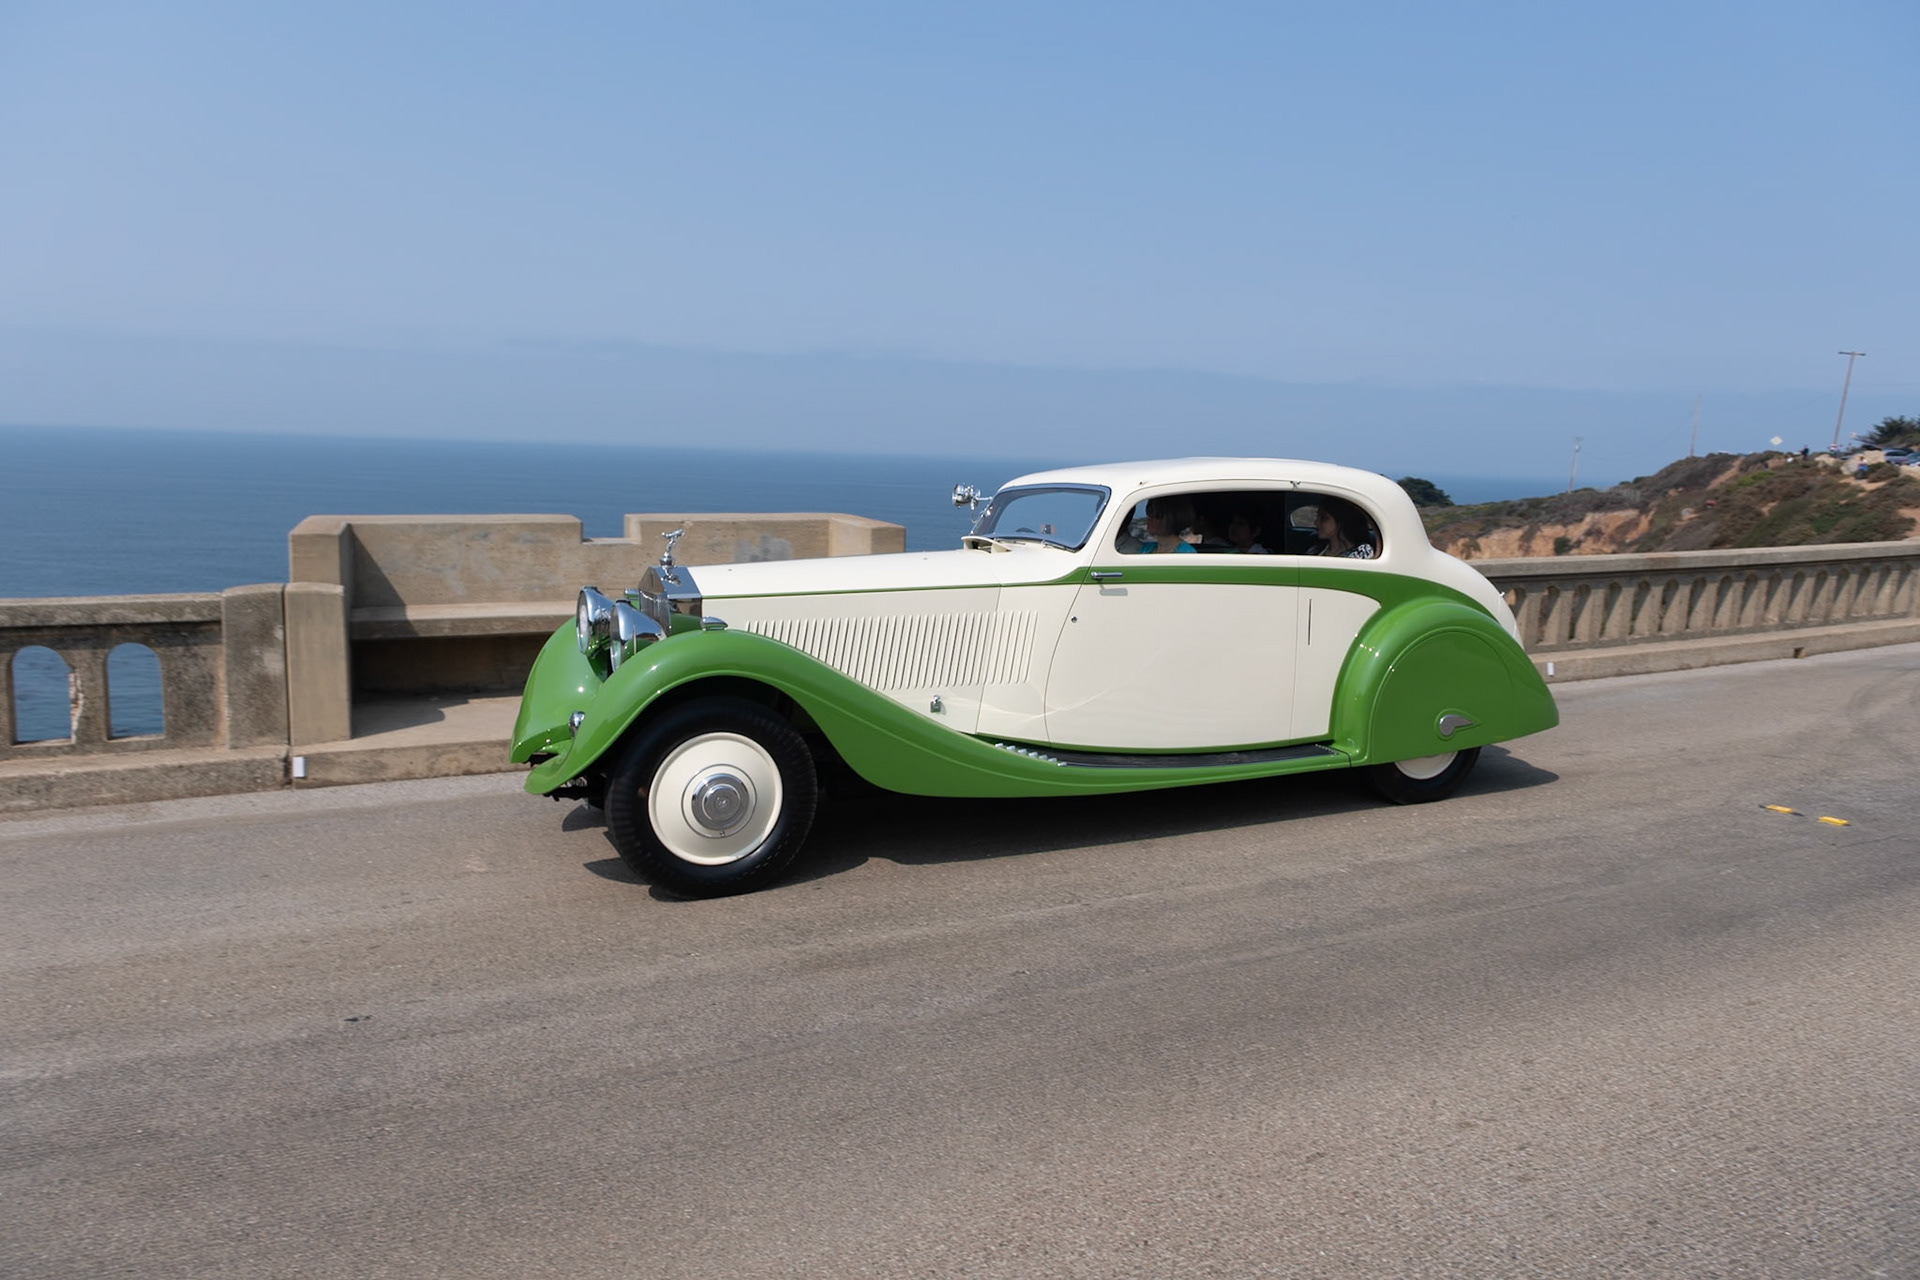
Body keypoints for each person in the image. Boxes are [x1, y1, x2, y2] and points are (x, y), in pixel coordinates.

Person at [1308, 496, 1377, 559]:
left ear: (1342, 520)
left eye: (1324, 518)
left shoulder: (1362, 552)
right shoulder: (1316, 549)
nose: (1316, 523)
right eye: (1318, 517)